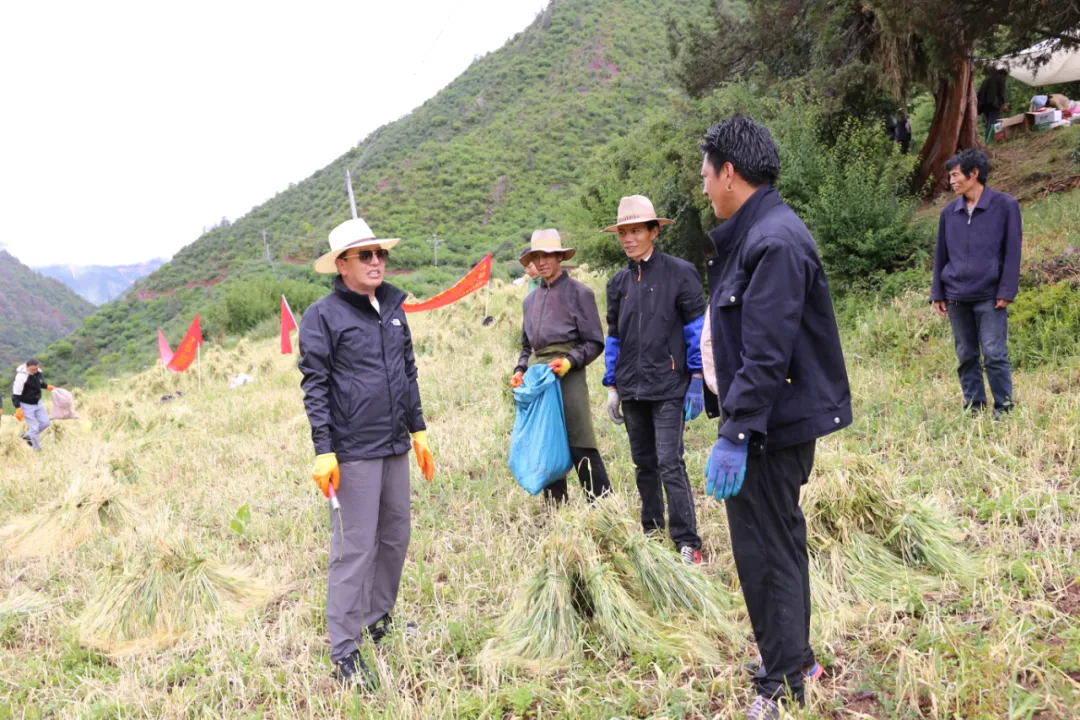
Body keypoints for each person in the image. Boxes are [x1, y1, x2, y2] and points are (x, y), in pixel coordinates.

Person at [699, 115, 852, 718]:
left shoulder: (774, 241)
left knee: (764, 551)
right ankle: (795, 657)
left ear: (729, 173)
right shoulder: (758, 234)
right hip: (764, 423)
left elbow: (766, 355)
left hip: (765, 429)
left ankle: (782, 684)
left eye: (706, 175)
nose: (703, 187)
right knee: (779, 541)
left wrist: (736, 432)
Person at [298, 217, 436, 690]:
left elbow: (408, 371)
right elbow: (315, 386)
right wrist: (324, 450)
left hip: (394, 444)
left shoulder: (393, 307)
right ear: (342, 265)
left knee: (395, 537)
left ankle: (378, 620)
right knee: (354, 549)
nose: (377, 261)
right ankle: (344, 650)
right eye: (365, 255)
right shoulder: (323, 316)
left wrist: (418, 429)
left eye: (381, 253)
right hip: (353, 451)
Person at [601, 195, 707, 565]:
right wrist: (612, 386)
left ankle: (687, 541)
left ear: (654, 232)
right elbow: (614, 337)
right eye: (623, 233)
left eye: (636, 231)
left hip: (669, 385)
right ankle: (651, 533)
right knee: (643, 463)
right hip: (631, 388)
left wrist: (697, 379)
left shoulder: (680, 273)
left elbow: (697, 330)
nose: (628, 239)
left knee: (669, 462)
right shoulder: (617, 283)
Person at [511, 229, 611, 504]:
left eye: (548, 255)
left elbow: (594, 342)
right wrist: (520, 371)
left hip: (568, 374)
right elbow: (526, 347)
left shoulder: (580, 293)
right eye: (537, 257)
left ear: (559, 257)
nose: (542, 261)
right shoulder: (530, 300)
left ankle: (603, 508)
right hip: (538, 378)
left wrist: (570, 361)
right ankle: (555, 510)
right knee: (547, 441)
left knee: (580, 440)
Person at [931, 149, 1021, 418]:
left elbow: (1012, 252)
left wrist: (1007, 290)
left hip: (990, 295)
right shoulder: (949, 213)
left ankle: (1004, 408)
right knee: (966, 355)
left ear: (974, 173)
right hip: (956, 297)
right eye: (950, 176)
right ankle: (974, 406)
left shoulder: (1005, 206)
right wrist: (937, 293)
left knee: (994, 354)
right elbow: (941, 255)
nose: (951, 181)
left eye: (955, 175)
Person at [12, 359, 55, 451]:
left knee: (45, 423)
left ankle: (26, 436)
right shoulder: (21, 377)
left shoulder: (38, 372)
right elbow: (16, 394)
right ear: (27, 367)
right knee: (34, 429)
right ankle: (37, 449)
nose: (35, 371)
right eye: (33, 370)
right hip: (26, 405)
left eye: (36, 368)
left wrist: (47, 386)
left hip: (38, 402)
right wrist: (18, 408)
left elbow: (39, 383)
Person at [977, 68, 1008, 143]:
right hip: (994, 103)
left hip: (984, 105)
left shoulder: (986, 80)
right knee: (992, 122)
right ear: (1003, 74)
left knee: (988, 122)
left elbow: (979, 93)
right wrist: (1004, 103)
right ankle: (988, 141)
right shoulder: (1000, 78)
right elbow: (1002, 92)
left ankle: (992, 139)